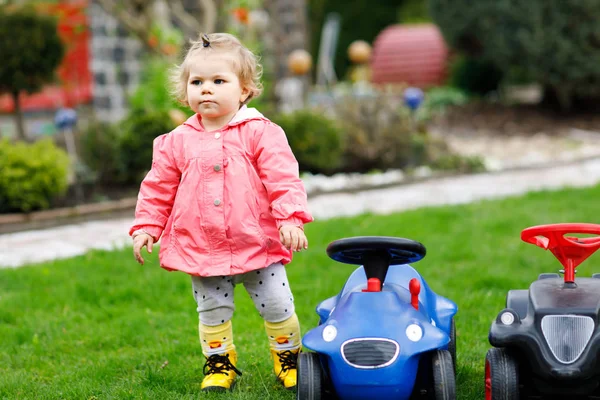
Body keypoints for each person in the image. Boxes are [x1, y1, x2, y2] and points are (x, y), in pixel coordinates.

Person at [129, 32, 313, 392]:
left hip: (256, 243)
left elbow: (283, 178)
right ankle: (219, 363)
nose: (206, 89)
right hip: (203, 247)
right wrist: (147, 226)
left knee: (276, 304)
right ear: (185, 92)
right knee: (212, 309)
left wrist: (290, 218)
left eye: (218, 81)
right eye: (197, 82)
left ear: (244, 90)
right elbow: (158, 187)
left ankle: (288, 358)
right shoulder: (177, 141)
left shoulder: (261, 133)